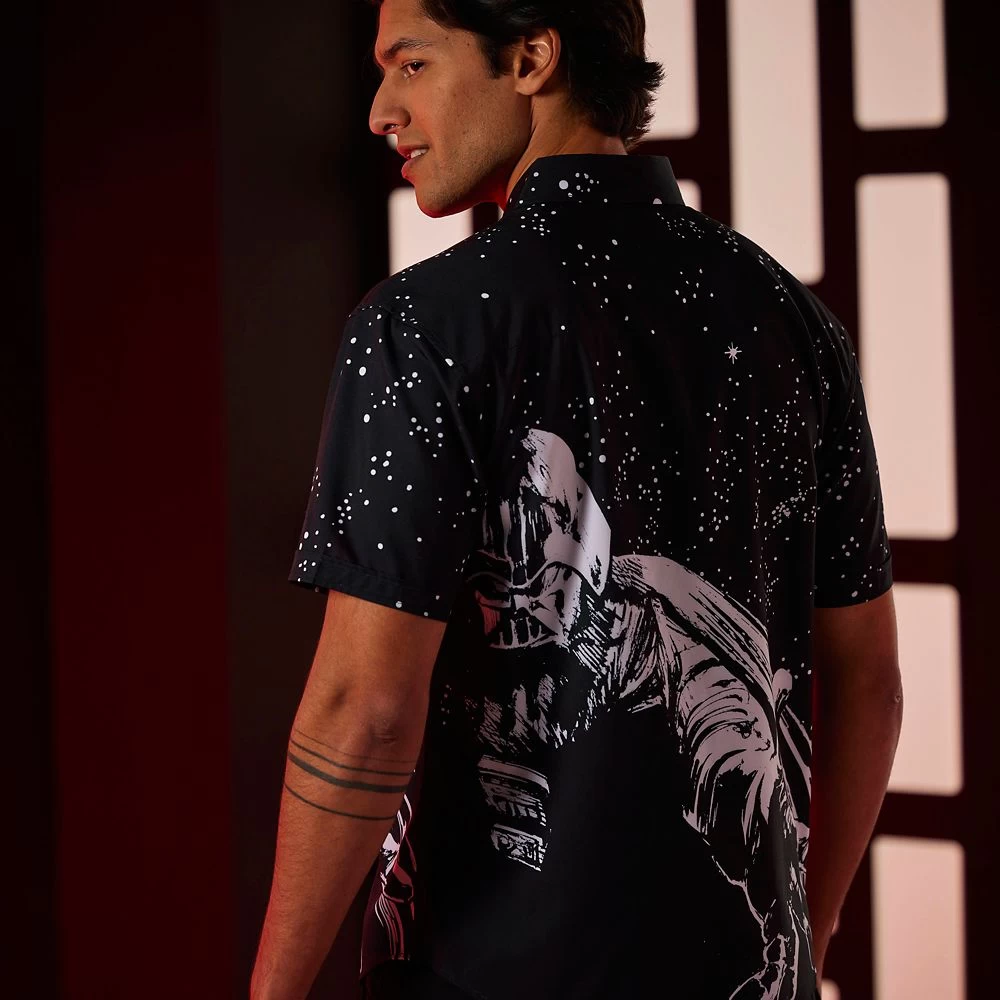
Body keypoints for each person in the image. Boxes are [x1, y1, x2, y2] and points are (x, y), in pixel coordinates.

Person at [250, 1, 903, 998]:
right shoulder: (793, 318)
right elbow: (869, 684)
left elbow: (366, 711)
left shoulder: (427, 324)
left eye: (412, 64)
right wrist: (800, 937)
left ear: (530, 57)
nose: (381, 109)